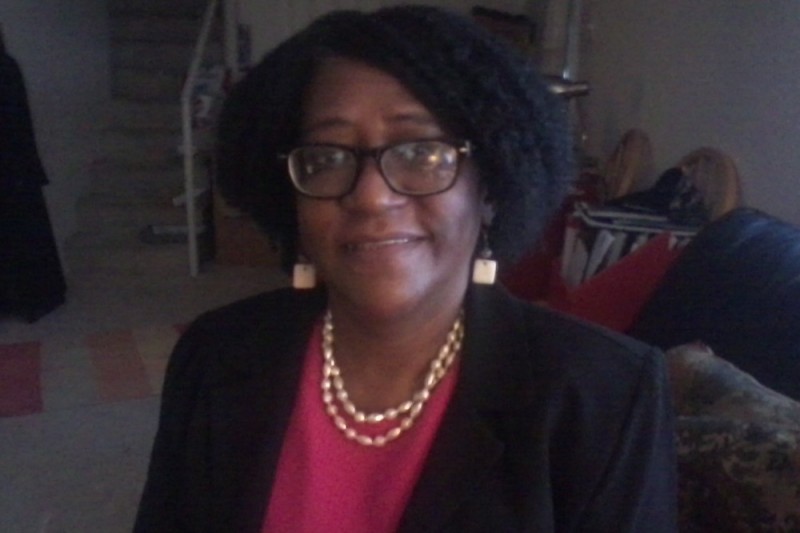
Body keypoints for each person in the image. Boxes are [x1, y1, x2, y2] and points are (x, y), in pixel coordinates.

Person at [134, 6, 677, 532]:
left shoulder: (606, 397)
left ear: (489, 187)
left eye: (421, 154)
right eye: (327, 158)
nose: (371, 197)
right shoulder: (214, 358)